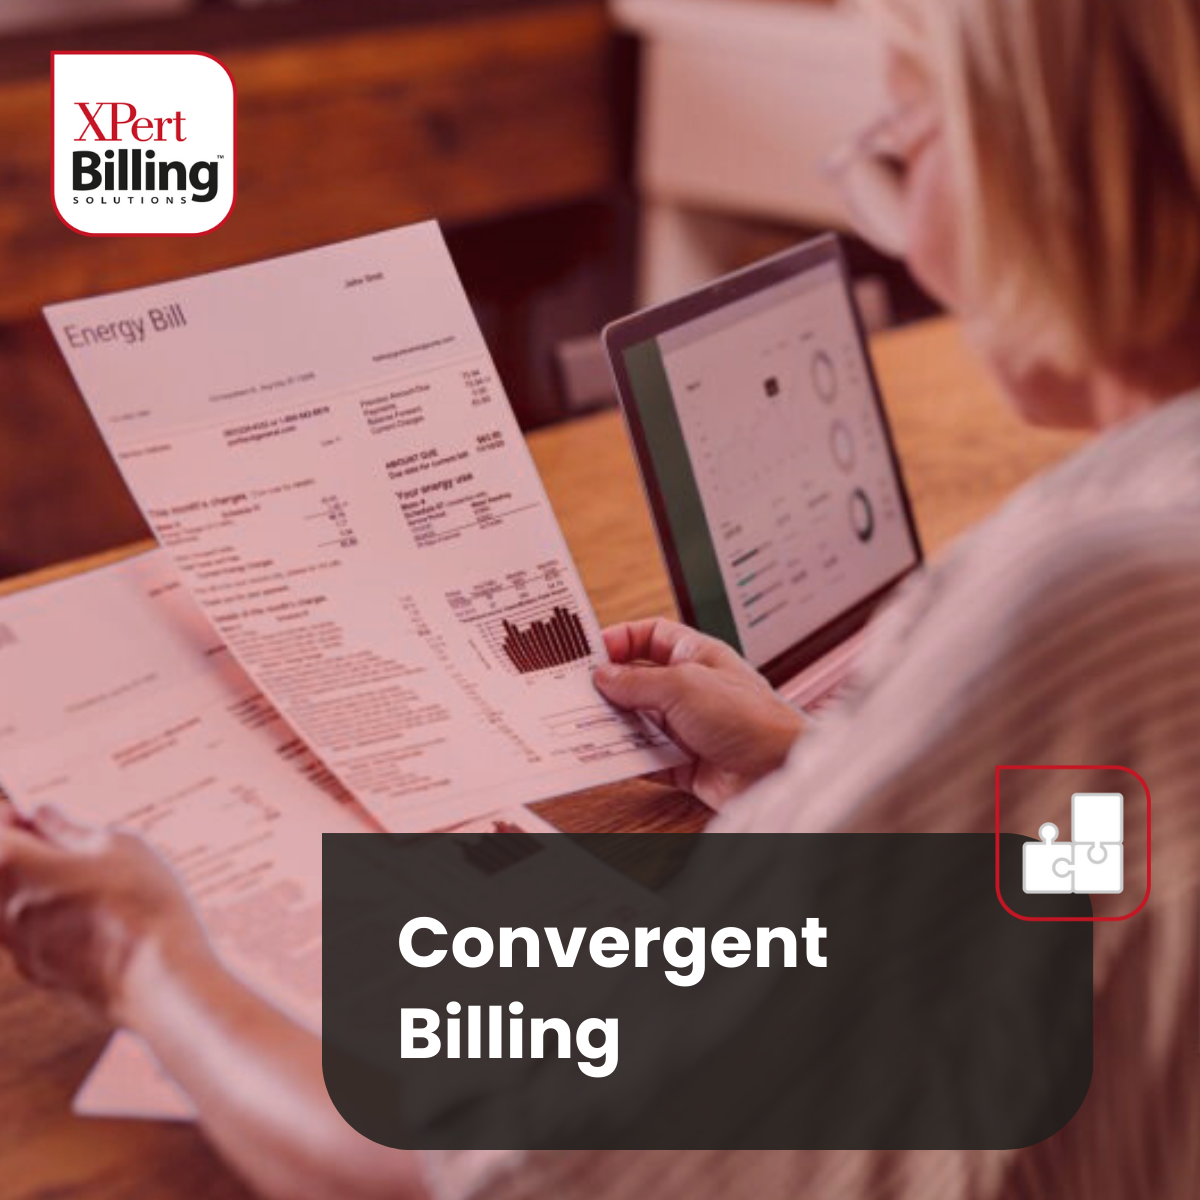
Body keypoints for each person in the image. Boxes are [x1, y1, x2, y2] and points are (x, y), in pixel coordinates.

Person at [3, 0, 1200, 1195]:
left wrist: (141, 953)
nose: (911, 239)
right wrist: (819, 771)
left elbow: (505, 1173)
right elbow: (1098, 881)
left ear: (1052, 160)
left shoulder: (1090, 588)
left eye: (907, 138)